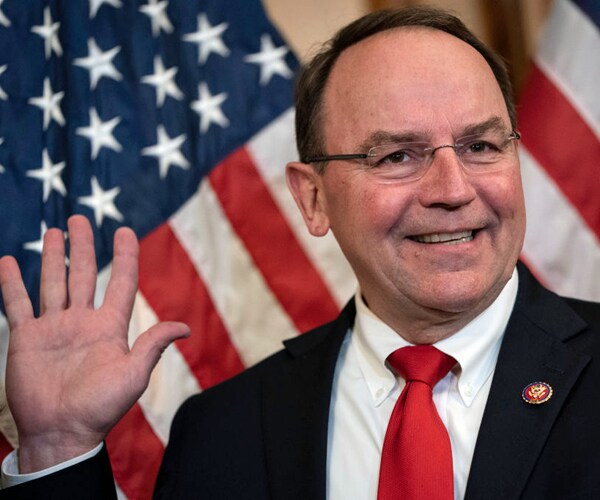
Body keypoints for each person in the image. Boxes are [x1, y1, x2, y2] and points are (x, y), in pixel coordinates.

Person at [0, 6, 599, 499]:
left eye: (481, 146)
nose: (453, 189)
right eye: (397, 156)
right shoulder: (222, 433)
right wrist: (59, 448)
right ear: (313, 199)